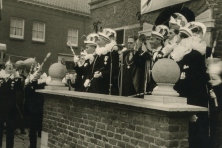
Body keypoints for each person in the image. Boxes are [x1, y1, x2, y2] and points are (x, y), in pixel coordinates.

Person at [173, 25, 209, 148]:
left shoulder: (196, 56)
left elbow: (196, 82)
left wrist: (192, 107)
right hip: (182, 100)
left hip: (194, 101)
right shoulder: (180, 57)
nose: (181, 40)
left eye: (184, 37)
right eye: (180, 36)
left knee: (196, 133)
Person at [84, 29, 119, 95]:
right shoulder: (98, 54)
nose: (97, 42)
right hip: (94, 86)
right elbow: (92, 69)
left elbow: (114, 70)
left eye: (99, 40)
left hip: (104, 86)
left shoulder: (112, 53)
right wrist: (88, 78)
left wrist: (101, 74)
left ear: (105, 41)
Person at [23, 58, 46, 148]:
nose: (38, 73)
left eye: (39, 71)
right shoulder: (28, 80)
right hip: (30, 108)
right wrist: (29, 83)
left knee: (38, 130)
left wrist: (34, 82)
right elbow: (27, 93)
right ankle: (32, 145)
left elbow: (39, 91)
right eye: (36, 71)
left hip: (38, 109)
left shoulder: (44, 81)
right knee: (31, 130)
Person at [0, 58, 23, 148]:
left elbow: (20, 89)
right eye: (8, 66)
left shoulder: (16, 79)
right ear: (5, 68)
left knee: (10, 128)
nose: (9, 67)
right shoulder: (1, 77)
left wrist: (16, 77)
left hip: (11, 107)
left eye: (11, 66)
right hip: (1, 106)